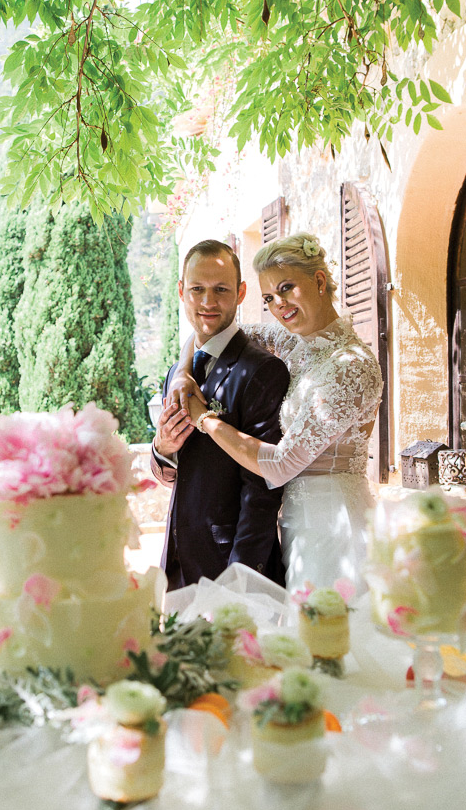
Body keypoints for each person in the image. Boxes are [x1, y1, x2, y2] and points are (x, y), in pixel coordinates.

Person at [169, 232, 383, 594]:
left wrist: (204, 419)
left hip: (332, 526)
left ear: (318, 281)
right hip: (294, 527)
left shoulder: (351, 365)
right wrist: (182, 374)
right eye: (269, 297)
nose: (279, 305)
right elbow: (208, 327)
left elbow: (281, 464)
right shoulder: (291, 341)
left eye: (286, 288)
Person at [150, 239, 290, 591]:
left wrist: (238, 582)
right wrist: (162, 447)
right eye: (197, 289)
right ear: (182, 291)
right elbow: (171, 474)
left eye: (221, 289)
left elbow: (262, 492)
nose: (208, 302)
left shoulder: (262, 371)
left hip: (229, 565)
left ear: (241, 292)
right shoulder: (175, 373)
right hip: (178, 563)